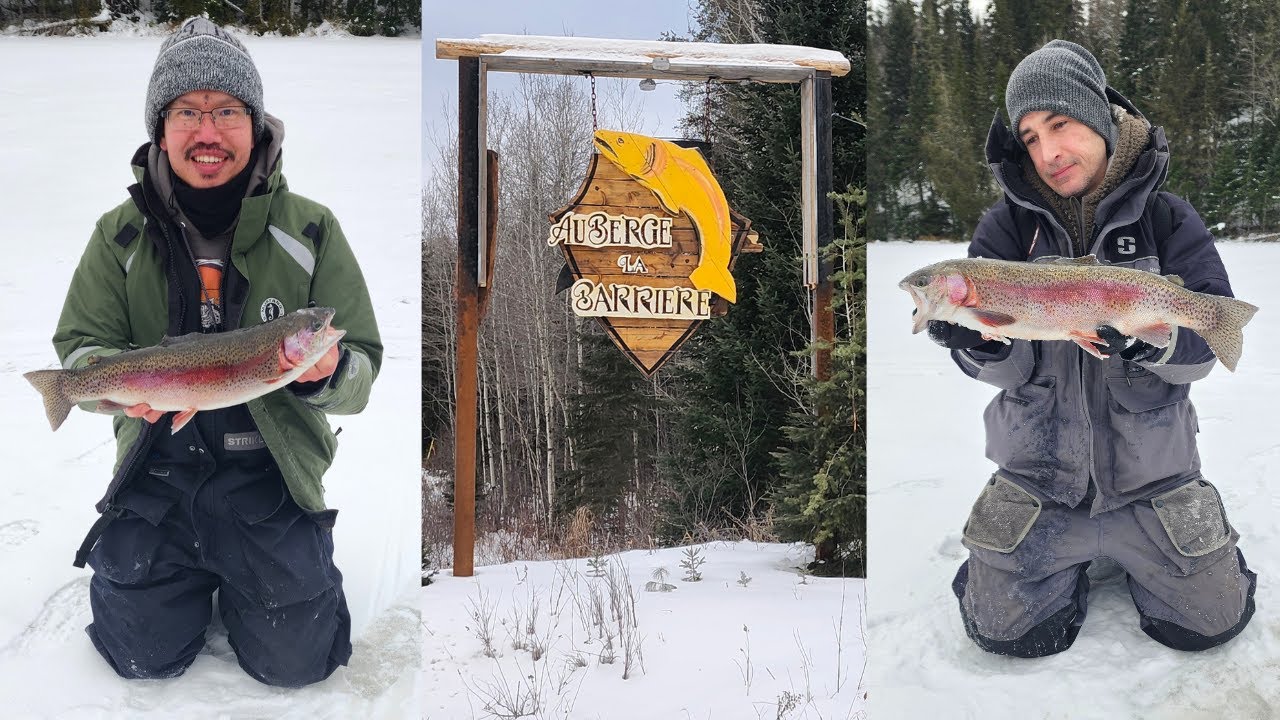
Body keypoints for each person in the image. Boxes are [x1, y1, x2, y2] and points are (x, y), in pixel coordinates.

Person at [51, 18, 381, 686]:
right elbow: (81, 343)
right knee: (139, 656)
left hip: (269, 476)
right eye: (187, 112)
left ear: (256, 122)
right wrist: (98, 385)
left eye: (227, 110)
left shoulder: (311, 229)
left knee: (299, 664)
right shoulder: (117, 236)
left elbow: (362, 365)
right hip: (157, 474)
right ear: (160, 127)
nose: (208, 132)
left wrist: (329, 371)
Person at [929, 39, 1256, 657]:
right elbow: (1003, 367)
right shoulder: (1004, 232)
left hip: (1153, 481)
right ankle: (1053, 570)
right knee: (1006, 633)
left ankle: (1153, 561)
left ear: (1100, 119)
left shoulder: (1169, 220)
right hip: (1039, 482)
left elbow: (1205, 346)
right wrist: (973, 341)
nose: (1048, 152)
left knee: (1208, 623)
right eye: (1028, 137)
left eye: (1060, 124)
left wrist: (1145, 345)